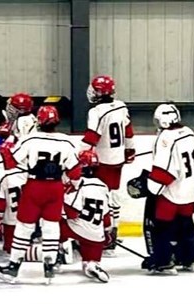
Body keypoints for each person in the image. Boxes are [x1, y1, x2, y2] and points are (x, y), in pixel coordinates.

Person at [0, 105, 81, 284]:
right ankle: (49, 265)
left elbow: (11, 163)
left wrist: (6, 149)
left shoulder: (30, 139)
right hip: (55, 187)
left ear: (39, 121)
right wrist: (71, 185)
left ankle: (13, 266)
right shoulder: (67, 141)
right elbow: (75, 171)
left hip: (34, 186)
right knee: (51, 227)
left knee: (24, 227)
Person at [128, 103, 194, 275]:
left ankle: (164, 261)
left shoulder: (165, 138)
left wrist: (151, 188)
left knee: (161, 227)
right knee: (186, 225)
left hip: (172, 193)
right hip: (190, 191)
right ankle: (188, 257)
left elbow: (165, 170)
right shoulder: (188, 132)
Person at [81, 75, 136, 255]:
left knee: (101, 198)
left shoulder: (96, 112)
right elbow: (128, 131)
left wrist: (79, 154)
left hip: (102, 161)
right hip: (117, 159)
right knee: (112, 195)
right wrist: (130, 150)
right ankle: (113, 230)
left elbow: (92, 137)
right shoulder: (121, 106)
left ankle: (105, 235)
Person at [61, 149, 111, 283]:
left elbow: (71, 213)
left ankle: (58, 252)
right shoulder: (103, 186)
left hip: (76, 229)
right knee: (90, 260)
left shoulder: (77, 184)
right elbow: (106, 216)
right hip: (96, 237)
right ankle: (92, 265)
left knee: (52, 225)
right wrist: (107, 232)